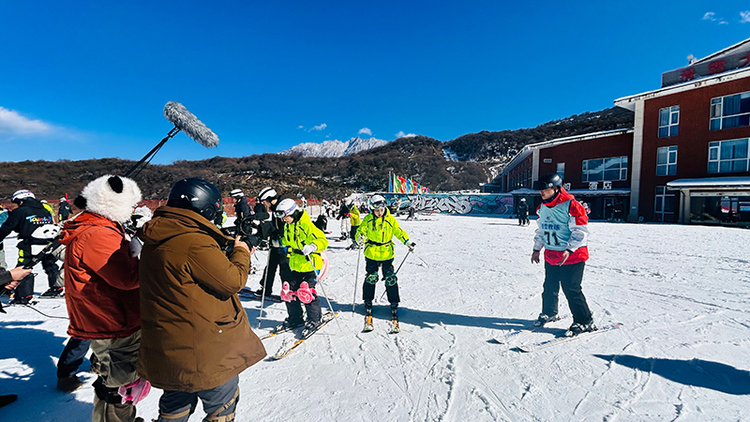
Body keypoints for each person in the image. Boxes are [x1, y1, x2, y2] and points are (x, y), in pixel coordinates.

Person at [138, 178, 265, 422]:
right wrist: (241, 251)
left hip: (169, 346)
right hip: (204, 350)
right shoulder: (194, 241)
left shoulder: (159, 235)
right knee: (222, 407)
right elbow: (232, 280)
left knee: (175, 405)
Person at [59, 175, 145, 421]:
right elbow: (127, 278)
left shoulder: (99, 227)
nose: (132, 210)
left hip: (109, 316)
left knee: (115, 378)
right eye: (130, 204)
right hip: (114, 320)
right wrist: (146, 256)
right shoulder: (97, 233)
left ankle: (120, 417)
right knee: (119, 383)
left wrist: (130, 248)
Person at [531, 173, 596, 337]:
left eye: (545, 188)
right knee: (549, 286)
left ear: (555, 188)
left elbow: (580, 231)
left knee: (571, 288)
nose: (541, 192)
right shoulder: (542, 207)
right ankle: (550, 312)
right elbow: (542, 230)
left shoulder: (571, 206)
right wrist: (537, 249)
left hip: (573, 256)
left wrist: (569, 249)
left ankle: (585, 320)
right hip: (552, 254)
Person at [354, 194, 415, 329]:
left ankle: (393, 303)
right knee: (371, 277)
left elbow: (399, 232)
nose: (379, 213)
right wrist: (360, 237)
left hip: (387, 253)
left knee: (390, 278)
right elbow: (361, 231)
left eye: (381, 210)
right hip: (372, 253)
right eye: (377, 211)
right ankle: (368, 300)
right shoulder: (368, 220)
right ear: (372, 210)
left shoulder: (390, 220)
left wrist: (407, 241)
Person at [275, 198, 329, 335]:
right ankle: (296, 318)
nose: (283, 220)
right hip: (296, 265)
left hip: (310, 264)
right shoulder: (289, 225)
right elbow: (289, 240)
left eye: (284, 216)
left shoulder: (307, 226)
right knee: (289, 292)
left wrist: (313, 246)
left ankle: (315, 319)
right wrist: (279, 242)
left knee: (306, 292)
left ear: (291, 213)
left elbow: (323, 241)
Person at [0, 189, 62, 303]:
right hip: (48, 243)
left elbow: (7, 228)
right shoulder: (44, 210)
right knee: (50, 265)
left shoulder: (20, 211)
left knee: (24, 267)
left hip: (29, 244)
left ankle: (24, 296)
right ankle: (57, 287)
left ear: (21, 200)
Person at [255, 187, 291, 297]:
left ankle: (288, 291)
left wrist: (275, 232)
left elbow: (285, 227)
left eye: (266, 202)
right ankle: (266, 288)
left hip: (285, 244)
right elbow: (274, 225)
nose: (266, 204)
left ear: (271, 198)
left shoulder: (283, 207)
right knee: (270, 266)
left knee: (285, 269)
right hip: (275, 242)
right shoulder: (275, 208)